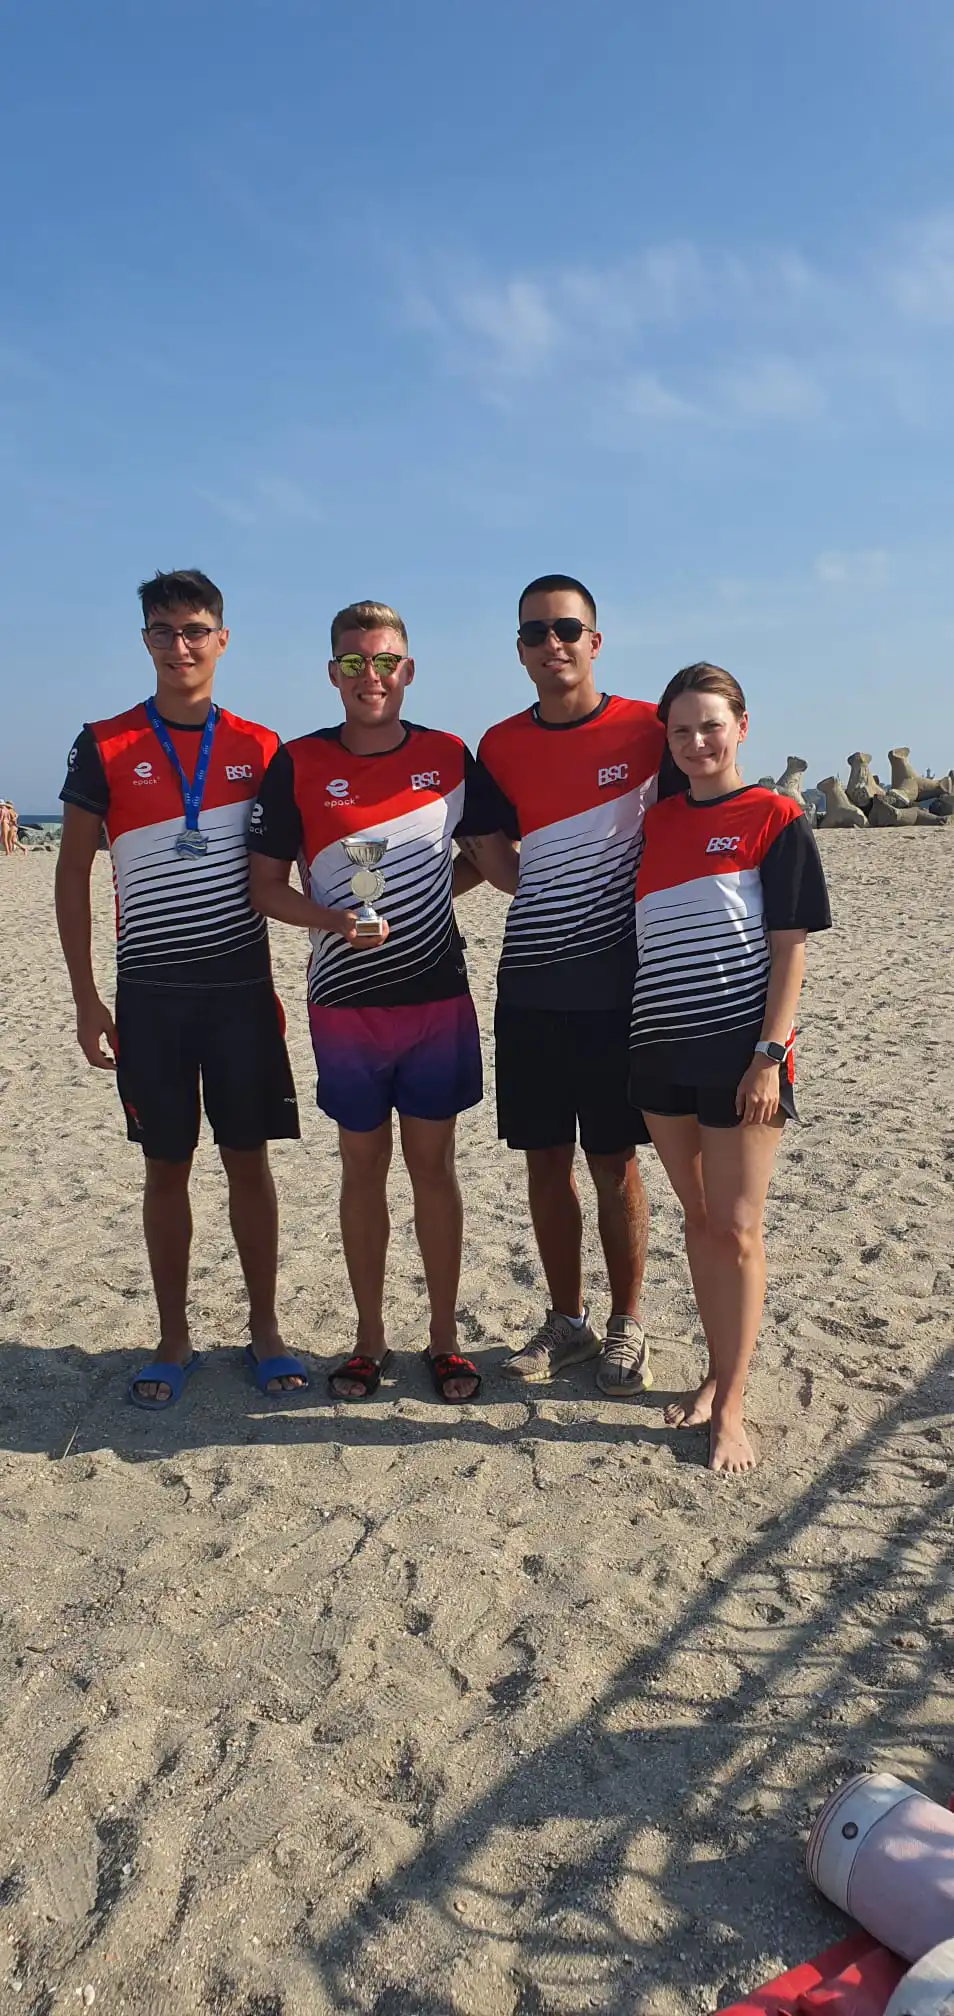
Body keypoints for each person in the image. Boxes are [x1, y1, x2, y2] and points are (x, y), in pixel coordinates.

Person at [247, 600, 514, 1403]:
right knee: (362, 1170)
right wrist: (337, 921)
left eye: (386, 660)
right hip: (344, 1007)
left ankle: (444, 1339)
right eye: (355, 662)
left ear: (408, 670)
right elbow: (265, 889)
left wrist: (430, 899)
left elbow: (490, 859)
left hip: (436, 1002)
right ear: (333, 673)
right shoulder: (296, 763)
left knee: (434, 1169)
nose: (372, 675)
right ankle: (369, 1339)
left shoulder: (449, 755)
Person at [56, 568, 304, 1409]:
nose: (180, 645)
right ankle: (173, 1337)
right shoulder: (104, 742)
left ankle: (266, 1331)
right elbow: (71, 875)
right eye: (163, 630)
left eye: (195, 629)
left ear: (222, 639)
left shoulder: (261, 747)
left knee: (248, 1163)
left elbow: (291, 862)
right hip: (151, 999)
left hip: (241, 995)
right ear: (145, 641)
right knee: (166, 1168)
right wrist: (87, 998)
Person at [462, 574, 673, 1394]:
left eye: (567, 629)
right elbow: (495, 858)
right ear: (519, 650)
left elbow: (700, 819)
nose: (552, 643)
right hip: (531, 987)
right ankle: (567, 1321)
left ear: (595, 640)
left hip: (620, 990)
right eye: (534, 633)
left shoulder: (649, 729)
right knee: (544, 1161)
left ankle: (627, 1324)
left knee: (614, 1162)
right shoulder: (499, 745)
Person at [628, 661, 831, 1473]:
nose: (697, 742)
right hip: (658, 1047)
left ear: (741, 728)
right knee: (700, 1218)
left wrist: (769, 1057)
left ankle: (733, 1403)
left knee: (739, 1228)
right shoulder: (655, 824)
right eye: (680, 730)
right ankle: (716, 1373)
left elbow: (790, 951)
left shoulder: (776, 817)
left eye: (711, 725)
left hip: (742, 1055)